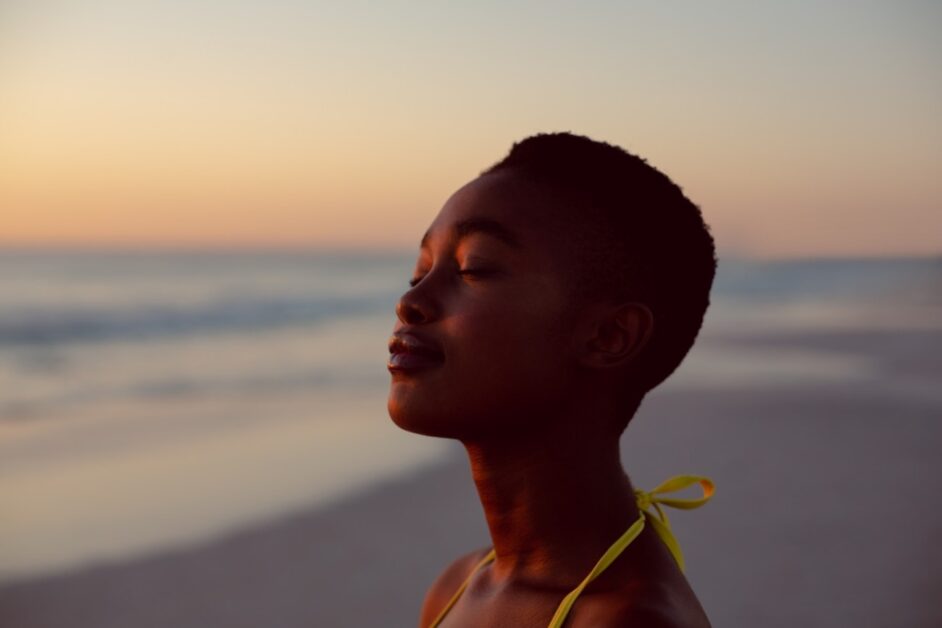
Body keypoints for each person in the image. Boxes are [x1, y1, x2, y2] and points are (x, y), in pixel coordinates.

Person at [387, 132, 717, 627]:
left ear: (608, 336)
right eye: (420, 272)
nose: (410, 302)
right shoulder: (459, 585)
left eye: (474, 268)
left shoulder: (628, 620)